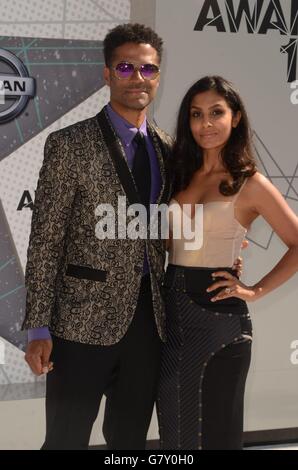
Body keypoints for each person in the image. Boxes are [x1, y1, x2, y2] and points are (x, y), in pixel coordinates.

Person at [22, 23, 173, 450]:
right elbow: (46, 238)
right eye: (126, 68)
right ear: (107, 74)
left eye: (147, 69)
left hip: (149, 323)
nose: (137, 78)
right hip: (78, 323)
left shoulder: (169, 148)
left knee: (129, 443)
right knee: (65, 440)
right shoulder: (69, 144)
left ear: (157, 76)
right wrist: (38, 327)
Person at [157, 76, 298, 450]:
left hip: (219, 322)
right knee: (176, 434)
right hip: (172, 320)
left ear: (235, 118)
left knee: (215, 436)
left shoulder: (248, 183)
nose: (206, 123)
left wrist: (255, 289)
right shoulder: (179, 175)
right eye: (196, 114)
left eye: (216, 113)